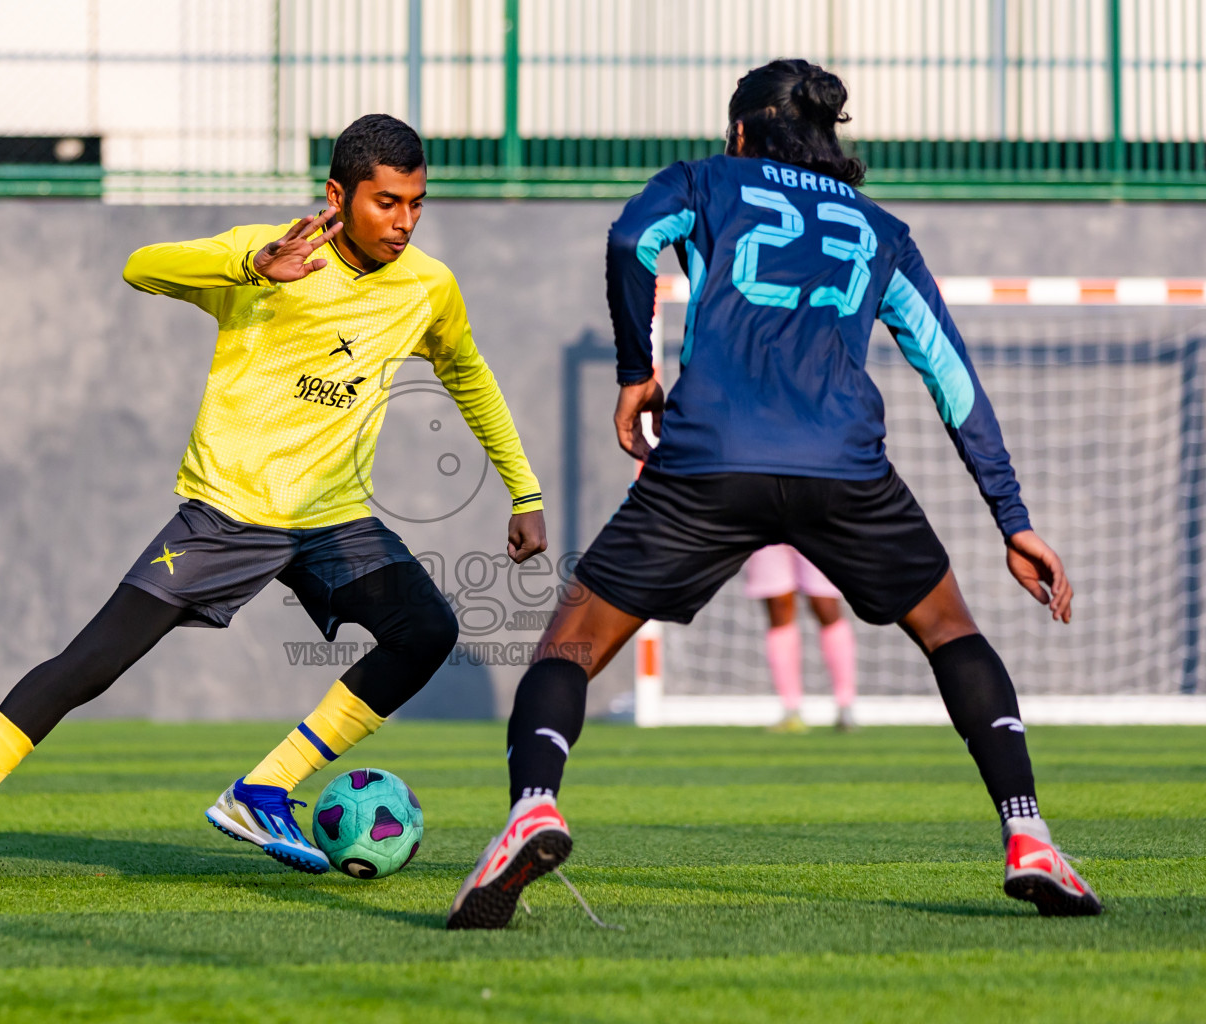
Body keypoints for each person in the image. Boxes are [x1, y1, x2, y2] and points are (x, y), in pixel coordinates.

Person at [447, 60, 1100, 929]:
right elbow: (951, 375)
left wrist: (637, 375)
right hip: (845, 469)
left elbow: (629, 240)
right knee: (951, 631)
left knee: (569, 645)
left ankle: (533, 806)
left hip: (710, 457)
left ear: (745, 131)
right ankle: (1030, 838)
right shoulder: (880, 229)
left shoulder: (706, 182)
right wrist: (1012, 519)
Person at [0, 114, 547, 896]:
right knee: (88, 667)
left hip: (332, 519)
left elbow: (468, 375)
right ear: (337, 194)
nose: (403, 222)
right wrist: (250, 266)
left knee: (426, 629)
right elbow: (141, 265)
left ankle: (263, 790)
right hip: (227, 515)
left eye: (416, 203)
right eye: (385, 203)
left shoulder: (427, 287)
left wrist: (523, 489)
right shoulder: (269, 259)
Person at [744, 544, 857, 732]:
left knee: (825, 604)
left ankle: (845, 704)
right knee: (779, 607)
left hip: (816, 523)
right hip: (767, 525)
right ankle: (791, 709)